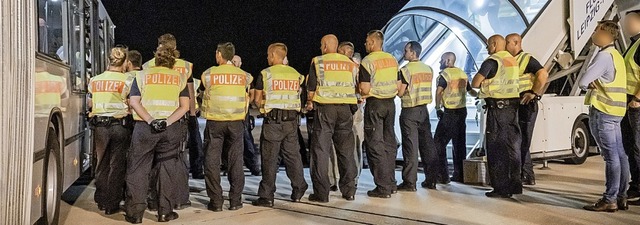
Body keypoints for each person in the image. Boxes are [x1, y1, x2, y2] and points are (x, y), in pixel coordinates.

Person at [124, 46, 190, 223]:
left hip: (145, 128)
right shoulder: (180, 78)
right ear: (172, 60)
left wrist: (151, 120)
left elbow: (134, 102)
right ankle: (164, 212)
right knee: (167, 169)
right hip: (170, 129)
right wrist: (166, 122)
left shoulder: (142, 75)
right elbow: (184, 106)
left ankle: (136, 214)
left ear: (156, 58)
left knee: (138, 169)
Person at [580, 20, 629, 212]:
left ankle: (610, 199)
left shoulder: (604, 56)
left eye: (596, 31)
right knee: (620, 154)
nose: (593, 34)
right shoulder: (616, 55)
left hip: (604, 110)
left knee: (611, 157)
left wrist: (588, 83)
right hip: (616, 111)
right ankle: (621, 196)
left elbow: (584, 81)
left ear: (606, 34)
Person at [252, 43, 308, 207]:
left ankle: (267, 196)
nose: (267, 58)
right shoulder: (296, 75)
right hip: (291, 122)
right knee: (293, 157)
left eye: (269, 55)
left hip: (273, 122)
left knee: (269, 159)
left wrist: (262, 107)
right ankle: (299, 189)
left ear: (274, 55)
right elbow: (302, 97)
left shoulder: (266, 74)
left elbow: (256, 99)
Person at [143, 34, 194, 210]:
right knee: (177, 159)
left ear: (159, 47)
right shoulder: (186, 67)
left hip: (150, 121)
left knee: (153, 161)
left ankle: (153, 199)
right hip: (177, 118)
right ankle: (179, 199)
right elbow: (189, 92)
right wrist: (192, 114)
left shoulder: (147, 65)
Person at [305, 34, 358, 202]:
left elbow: (311, 89)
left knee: (320, 151)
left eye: (322, 45)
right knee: (346, 152)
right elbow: (361, 86)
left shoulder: (318, 61)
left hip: (326, 109)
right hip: (345, 110)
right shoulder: (351, 63)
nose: (321, 48)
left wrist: (309, 102)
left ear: (326, 46)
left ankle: (321, 194)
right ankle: (349, 191)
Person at [201, 42, 252, 211]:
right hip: (236, 122)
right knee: (236, 161)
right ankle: (236, 201)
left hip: (215, 122)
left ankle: (216, 202)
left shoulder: (209, 74)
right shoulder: (244, 75)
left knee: (212, 161)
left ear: (219, 54)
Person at [471, 34, 522, 198]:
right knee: (512, 147)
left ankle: (500, 188)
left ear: (494, 44)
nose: (487, 49)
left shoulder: (492, 61)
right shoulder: (512, 60)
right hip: (512, 109)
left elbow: (475, 83)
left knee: (496, 149)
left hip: (497, 110)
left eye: (487, 45)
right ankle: (514, 184)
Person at [88, 47, 134, 215]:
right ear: (124, 62)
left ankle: (101, 199)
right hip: (119, 126)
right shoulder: (128, 80)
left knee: (101, 163)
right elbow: (132, 103)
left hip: (100, 127)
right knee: (117, 165)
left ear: (109, 60)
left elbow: (90, 103)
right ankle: (111, 204)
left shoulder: (95, 80)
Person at [358, 30, 400, 198]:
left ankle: (382, 187)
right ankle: (391, 183)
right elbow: (398, 84)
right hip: (390, 104)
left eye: (367, 41)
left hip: (375, 104)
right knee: (389, 144)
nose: (365, 44)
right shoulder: (392, 59)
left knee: (375, 146)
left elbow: (365, 89)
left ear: (374, 43)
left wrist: (361, 92)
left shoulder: (368, 61)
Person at [505, 33, 549, 186]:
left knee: (522, 140)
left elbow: (543, 74)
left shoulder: (526, 59)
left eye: (507, 42)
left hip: (525, 103)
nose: (505, 45)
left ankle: (526, 174)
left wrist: (534, 93)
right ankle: (525, 174)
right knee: (519, 140)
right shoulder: (510, 60)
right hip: (516, 103)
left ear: (516, 43)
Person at [396, 41, 437, 191]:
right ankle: (431, 179)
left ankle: (409, 182)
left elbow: (400, 92)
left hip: (410, 110)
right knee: (427, 145)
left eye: (406, 51)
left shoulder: (405, 70)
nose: (404, 53)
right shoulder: (428, 69)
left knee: (410, 147)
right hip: (423, 111)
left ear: (413, 53)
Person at [433, 52, 477, 183]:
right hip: (462, 112)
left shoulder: (445, 75)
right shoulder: (462, 74)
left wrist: (437, 108)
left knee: (438, 144)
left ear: (447, 61)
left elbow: (439, 91)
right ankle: (460, 175)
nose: (440, 62)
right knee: (459, 145)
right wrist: (481, 96)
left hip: (449, 113)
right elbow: (470, 91)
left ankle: (443, 176)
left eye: (441, 60)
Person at [232, 55, 261, 176]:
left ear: (241, 63)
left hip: (242, 112)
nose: (234, 63)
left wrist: (248, 103)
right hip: (231, 111)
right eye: (232, 61)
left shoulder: (246, 76)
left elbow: (252, 92)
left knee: (246, 139)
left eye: (236, 61)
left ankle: (253, 166)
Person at [622, 10, 640, 200]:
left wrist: (637, 98)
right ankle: (635, 185)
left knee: (636, 146)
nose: (626, 25)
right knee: (631, 145)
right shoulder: (633, 44)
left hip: (636, 104)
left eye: (630, 21)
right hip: (629, 102)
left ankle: (638, 187)